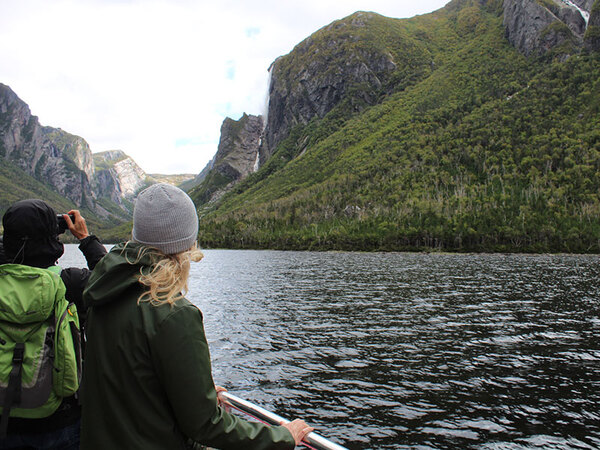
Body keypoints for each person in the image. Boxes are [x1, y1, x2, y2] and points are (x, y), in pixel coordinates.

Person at [81, 183, 313, 450]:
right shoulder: (174, 313)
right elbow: (205, 425)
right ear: (187, 243)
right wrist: (282, 437)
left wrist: (196, 393)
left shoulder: (103, 292)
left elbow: (132, 384)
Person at [0, 199, 107, 449]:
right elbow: (113, 277)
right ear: (52, 239)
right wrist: (86, 238)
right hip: (60, 420)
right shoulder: (71, 282)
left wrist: (16, 237)